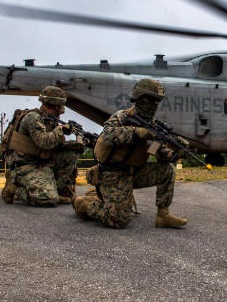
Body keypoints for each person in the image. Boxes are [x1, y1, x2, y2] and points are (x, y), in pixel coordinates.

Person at [72, 78, 188, 229]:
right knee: (117, 220)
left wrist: (173, 154)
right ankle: (83, 205)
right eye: (150, 99)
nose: (153, 104)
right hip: (113, 174)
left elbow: (159, 153)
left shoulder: (153, 126)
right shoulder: (123, 116)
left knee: (167, 171)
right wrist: (135, 132)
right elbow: (107, 135)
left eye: (157, 101)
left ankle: (163, 215)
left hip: (136, 173)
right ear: (139, 98)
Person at [2, 86, 85, 206]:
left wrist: (77, 145)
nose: (63, 109)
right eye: (61, 105)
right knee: (47, 199)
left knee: (71, 153)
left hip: (42, 162)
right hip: (26, 165)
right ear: (56, 105)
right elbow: (43, 142)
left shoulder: (49, 120)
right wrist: (61, 130)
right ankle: (15, 188)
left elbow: (54, 146)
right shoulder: (33, 118)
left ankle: (55, 190)